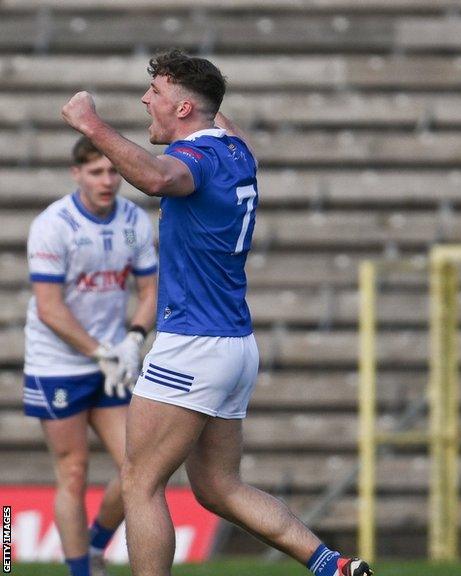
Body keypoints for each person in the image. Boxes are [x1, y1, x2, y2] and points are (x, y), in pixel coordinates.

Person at [59, 49, 372, 576]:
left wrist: (92, 123)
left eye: (154, 93)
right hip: (234, 347)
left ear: (183, 109)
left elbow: (158, 179)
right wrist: (196, 88)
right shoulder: (238, 151)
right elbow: (213, 115)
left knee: (140, 481)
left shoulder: (195, 164)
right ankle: (330, 565)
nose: (144, 100)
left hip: (193, 344)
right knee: (218, 487)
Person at [24, 136, 158, 576]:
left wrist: (133, 340)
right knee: (74, 472)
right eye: (96, 171)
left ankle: (98, 543)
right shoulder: (53, 224)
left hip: (112, 362)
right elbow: (49, 309)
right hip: (57, 364)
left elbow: (151, 291)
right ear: (76, 173)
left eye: (113, 171)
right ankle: (80, 571)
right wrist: (100, 351)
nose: (106, 180)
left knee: (137, 467)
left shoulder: (135, 221)